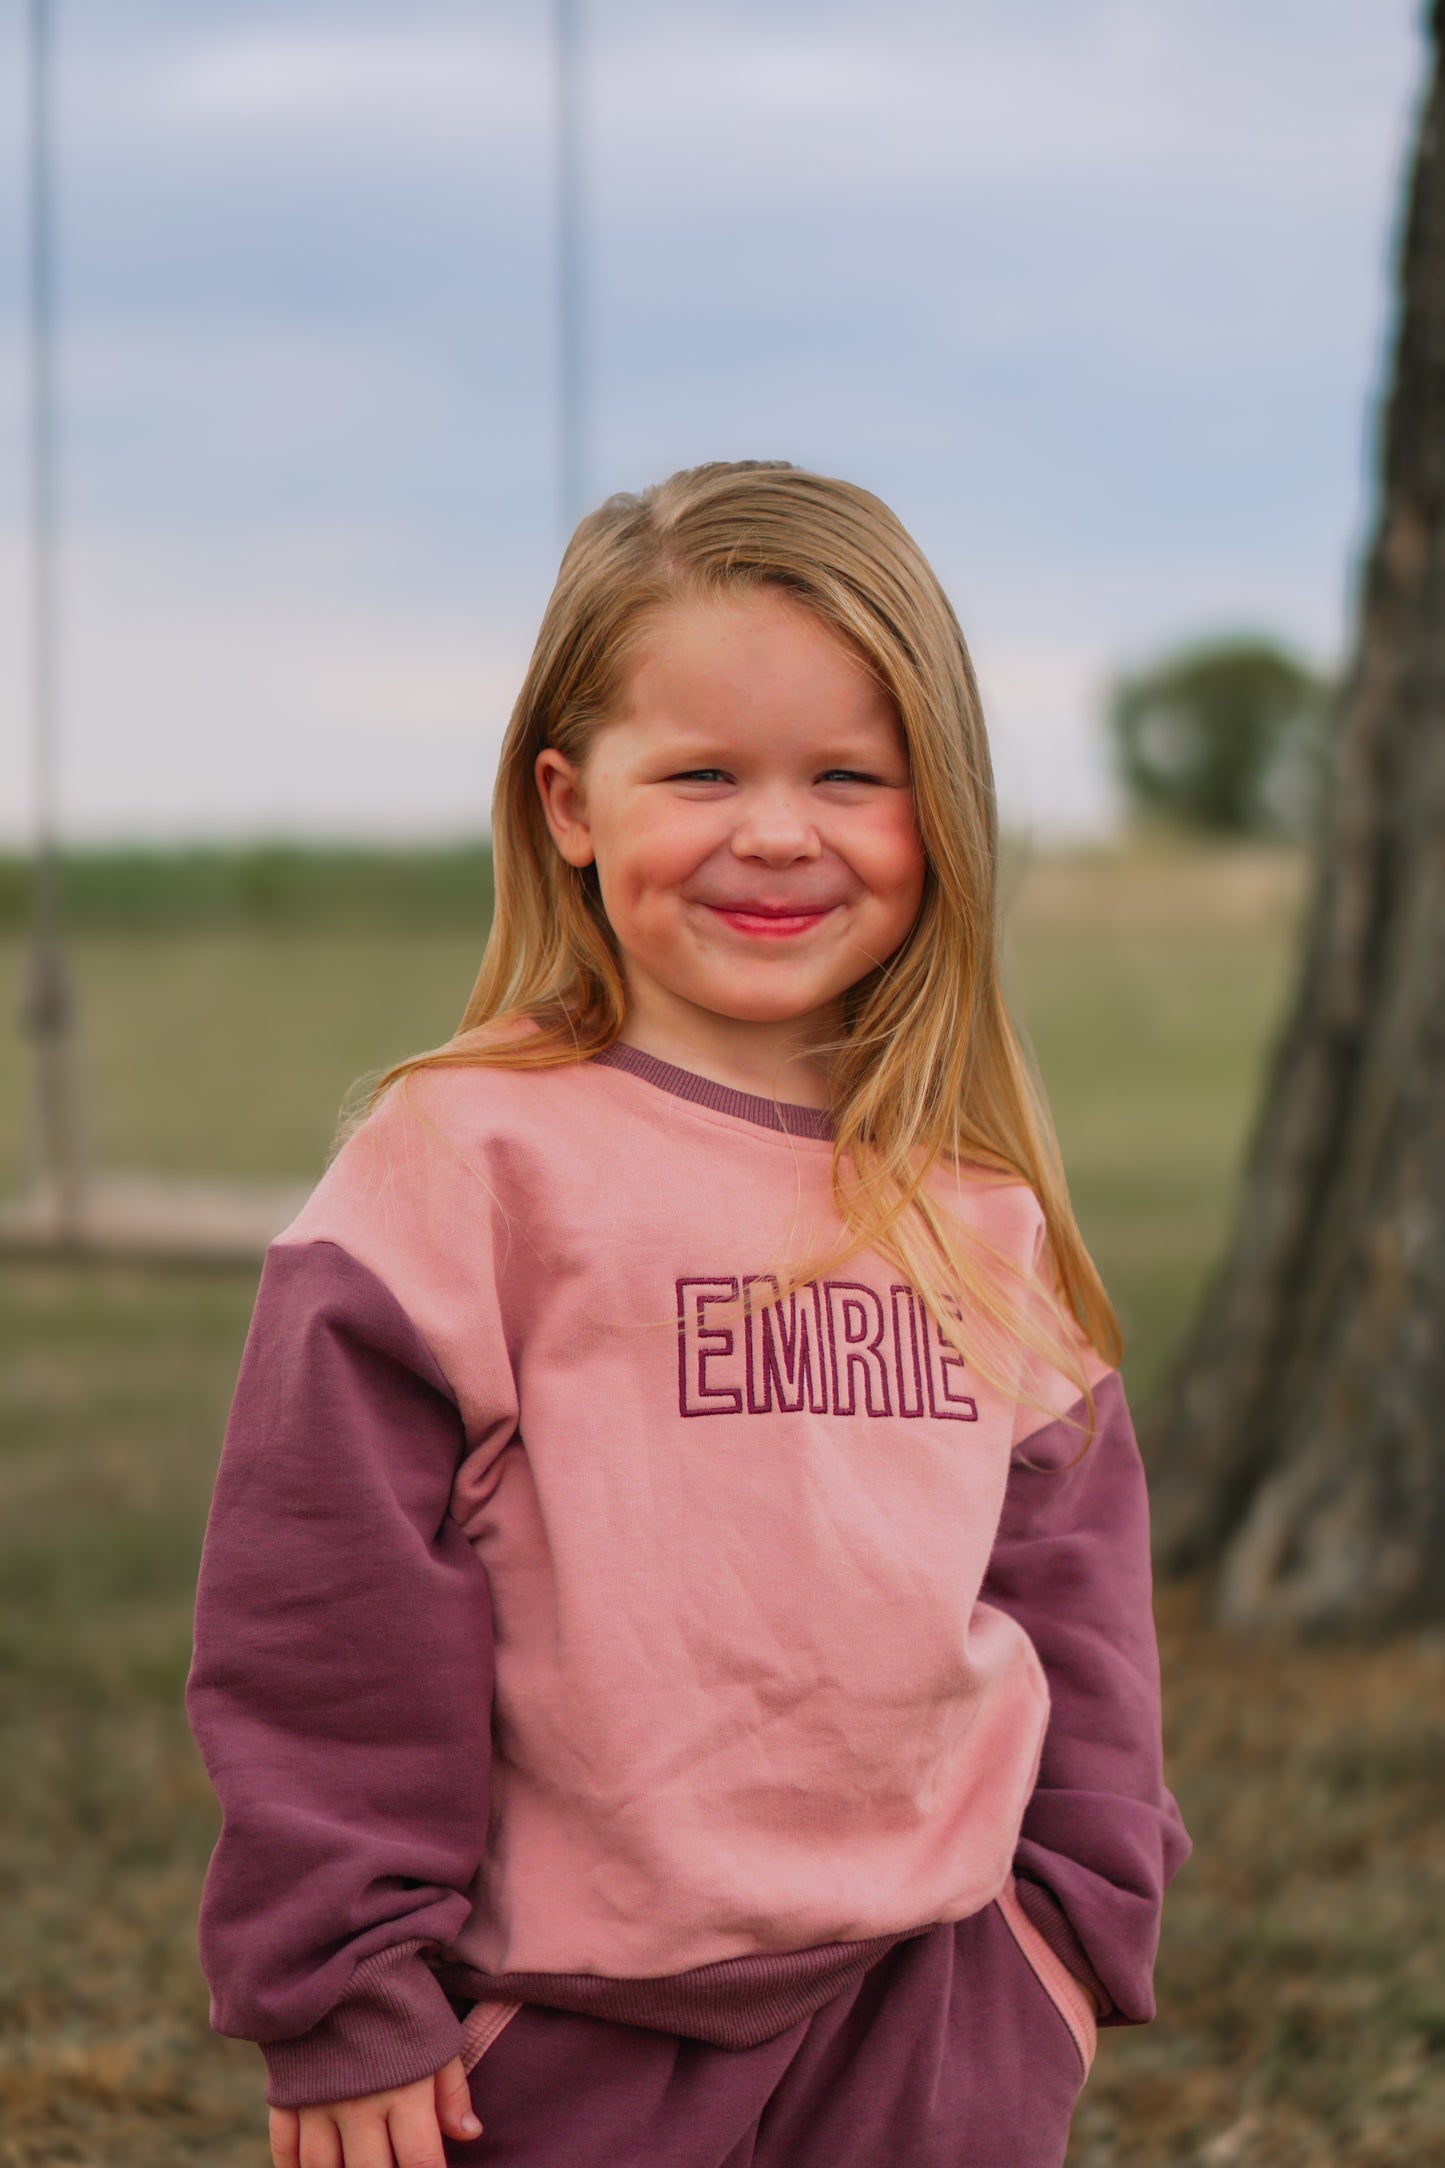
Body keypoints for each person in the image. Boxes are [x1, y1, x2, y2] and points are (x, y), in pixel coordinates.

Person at [187, 461, 1189, 2168]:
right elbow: (322, 1609)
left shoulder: (974, 1209)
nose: (776, 831)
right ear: (571, 803)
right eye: (704, 771)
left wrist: (1067, 1941)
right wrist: (342, 1989)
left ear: (936, 807)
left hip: (933, 2004)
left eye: (847, 778)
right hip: (556, 2030)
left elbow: (1072, 1606)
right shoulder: (466, 1162)